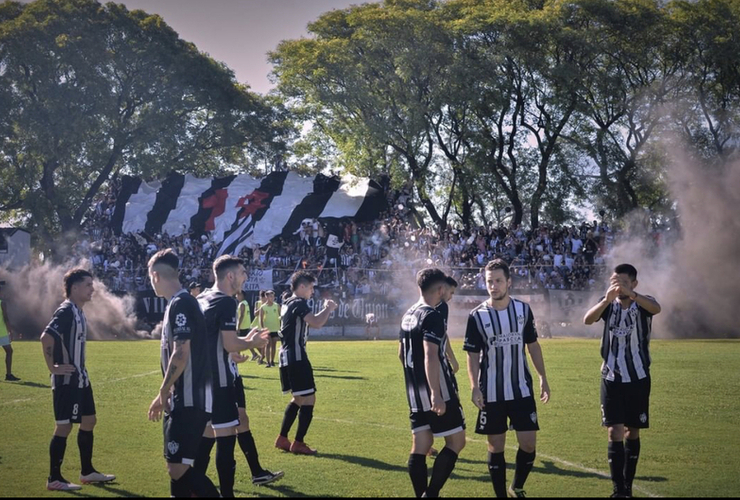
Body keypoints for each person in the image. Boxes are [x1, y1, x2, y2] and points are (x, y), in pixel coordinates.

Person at [193, 256, 282, 497]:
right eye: (243, 272)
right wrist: (250, 342)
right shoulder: (226, 302)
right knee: (225, 437)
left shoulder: (201, 298)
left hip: (200, 381)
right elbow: (230, 342)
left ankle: (190, 488)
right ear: (230, 275)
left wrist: (230, 354)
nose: (246, 277)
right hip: (220, 382)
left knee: (206, 433)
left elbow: (210, 342)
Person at [464, 259, 551, 498]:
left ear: (508, 282)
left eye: (498, 281)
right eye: (489, 281)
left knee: (528, 444)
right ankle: (501, 494)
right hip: (491, 391)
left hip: (521, 389)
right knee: (496, 446)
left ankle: (517, 486)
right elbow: (472, 356)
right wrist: (474, 387)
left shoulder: (523, 310)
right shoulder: (477, 316)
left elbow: (533, 346)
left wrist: (543, 377)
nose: (493, 286)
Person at [146, 249, 219, 498]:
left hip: (189, 398)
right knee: (178, 467)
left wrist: (163, 390)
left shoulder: (181, 303)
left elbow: (181, 353)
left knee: (177, 468)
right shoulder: (180, 303)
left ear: (155, 275)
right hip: (188, 397)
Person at [584, 263, 661, 498]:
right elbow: (587, 320)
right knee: (614, 431)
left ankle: (628, 486)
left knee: (632, 432)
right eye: (615, 282)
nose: (618, 287)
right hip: (611, 377)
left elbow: (657, 308)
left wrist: (633, 295)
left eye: (624, 283)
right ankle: (618, 490)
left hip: (638, 378)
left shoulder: (643, 304)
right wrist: (606, 300)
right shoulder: (607, 304)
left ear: (634, 284)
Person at [40, 269, 115, 491]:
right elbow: (46, 337)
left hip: (82, 378)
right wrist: (52, 367)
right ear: (74, 287)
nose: (93, 289)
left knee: (89, 420)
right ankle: (54, 478)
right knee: (64, 426)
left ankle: (87, 472)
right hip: (68, 381)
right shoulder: (66, 311)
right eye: (88, 285)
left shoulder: (79, 311)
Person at [400, 268, 466, 498]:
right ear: (440, 289)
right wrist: (436, 393)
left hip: (414, 391)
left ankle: (421, 495)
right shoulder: (432, 315)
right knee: (457, 441)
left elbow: (401, 354)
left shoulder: (408, 314)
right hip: (437, 390)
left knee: (420, 445)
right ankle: (431, 494)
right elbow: (430, 354)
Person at [274, 271, 337, 455]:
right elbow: (316, 322)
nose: (312, 291)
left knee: (300, 398)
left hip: (287, 355)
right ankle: (298, 442)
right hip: (296, 356)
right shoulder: (298, 303)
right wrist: (328, 308)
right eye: (310, 288)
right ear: (301, 287)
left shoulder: (287, 302)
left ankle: (283, 438)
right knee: (309, 398)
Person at [0, 281, 20, 381]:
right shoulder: (2, 303)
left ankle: (8, 375)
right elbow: (6, 318)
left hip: (2, 332)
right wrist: (10, 331)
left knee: (9, 351)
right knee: (9, 351)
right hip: (1, 332)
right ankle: (8, 374)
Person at [258, 290, 281, 368]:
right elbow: (260, 319)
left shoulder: (277, 306)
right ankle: (268, 362)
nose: (272, 298)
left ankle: (272, 361)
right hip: (267, 329)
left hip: (275, 328)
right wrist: (262, 328)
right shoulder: (263, 307)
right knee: (268, 345)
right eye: (270, 296)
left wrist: (281, 326)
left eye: (273, 296)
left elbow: (281, 316)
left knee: (274, 345)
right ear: (266, 297)